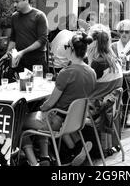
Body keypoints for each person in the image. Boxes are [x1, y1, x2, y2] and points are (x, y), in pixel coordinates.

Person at [20, 32, 96, 166]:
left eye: (66, 46)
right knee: (40, 118)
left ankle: (34, 163)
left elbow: (50, 103)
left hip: (57, 122)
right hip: (76, 120)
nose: (64, 48)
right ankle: (60, 153)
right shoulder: (91, 72)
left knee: (18, 121)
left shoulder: (66, 73)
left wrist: (42, 108)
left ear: (71, 49)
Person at [4, 0, 49, 73]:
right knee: (19, 85)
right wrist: (7, 54)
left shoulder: (39, 16)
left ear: (27, 0)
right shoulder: (14, 16)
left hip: (37, 60)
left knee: (38, 85)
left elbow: (42, 40)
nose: (14, 5)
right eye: (14, 2)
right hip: (19, 60)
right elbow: (13, 38)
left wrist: (22, 52)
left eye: (17, 2)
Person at [87, 24, 122, 100]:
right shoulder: (115, 61)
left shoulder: (98, 63)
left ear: (92, 43)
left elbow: (85, 87)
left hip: (95, 106)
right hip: (109, 107)